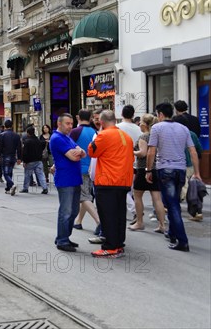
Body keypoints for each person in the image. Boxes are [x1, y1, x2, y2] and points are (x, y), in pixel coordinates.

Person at [146, 102, 201, 252]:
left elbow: (151, 151)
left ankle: (182, 241)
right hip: (180, 170)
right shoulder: (183, 129)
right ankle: (172, 233)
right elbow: (193, 151)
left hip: (166, 170)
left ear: (161, 114)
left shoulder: (157, 128)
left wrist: (148, 170)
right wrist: (197, 173)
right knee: (173, 201)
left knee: (172, 206)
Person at [88, 110, 134, 258]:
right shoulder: (125, 136)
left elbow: (91, 151)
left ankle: (110, 247)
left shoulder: (104, 135)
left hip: (108, 180)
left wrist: (99, 133)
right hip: (123, 181)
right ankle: (119, 244)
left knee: (108, 216)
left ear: (101, 122)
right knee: (119, 215)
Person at [50, 113, 86, 252]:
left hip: (74, 179)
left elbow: (82, 152)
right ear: (59, 124)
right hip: (65, 180)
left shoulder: (67, 137)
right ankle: (62, 241)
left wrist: (79, 152)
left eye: (72, 123)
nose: (70, 126)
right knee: (66, 211)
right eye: (67, 124)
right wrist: (78, 152)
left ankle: (63, 236)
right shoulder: (57, 138)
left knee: (74, 211)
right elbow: (74, 157)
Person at [130, 114, 166, 233]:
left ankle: (139, 222)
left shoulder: (144, 136)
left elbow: (143, 153)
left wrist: (132, 151)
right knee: (157, 198)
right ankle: (162, 225)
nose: (139, 124)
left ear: (144, 125)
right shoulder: (158, 136)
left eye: (140, 122)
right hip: (156, 168)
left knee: (137, 196)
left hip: (143, 169)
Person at [70, 110, 100, 232]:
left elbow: (68, 148)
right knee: (86, 195)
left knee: (84, 196)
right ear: (91, 118)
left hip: (79, 167)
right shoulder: (95, 132)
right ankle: (78, 221)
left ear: (78, 117)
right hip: (93, 168)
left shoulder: (75, 132)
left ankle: (99, 222)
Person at [20, 126, 48, 194]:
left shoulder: (27, 142)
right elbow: (43, 146)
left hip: (30, 161)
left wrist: (24, 161)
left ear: (28, 133)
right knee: (41, 174)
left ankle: (25, 188)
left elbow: (25, 153)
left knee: (27, 175)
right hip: (38, 160)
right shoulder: (38, 140)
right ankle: (45, 188)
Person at [0, 119, 22, 195]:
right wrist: (19, 158)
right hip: (13, 156)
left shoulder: (2, 135)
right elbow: (19, 148)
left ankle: (11, 184)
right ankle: (8, 188)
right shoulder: (17, 136)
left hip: (5, 156)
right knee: (10, 172)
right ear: (12, 126)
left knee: (5, 173)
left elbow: (0, 147)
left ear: (5, 126)